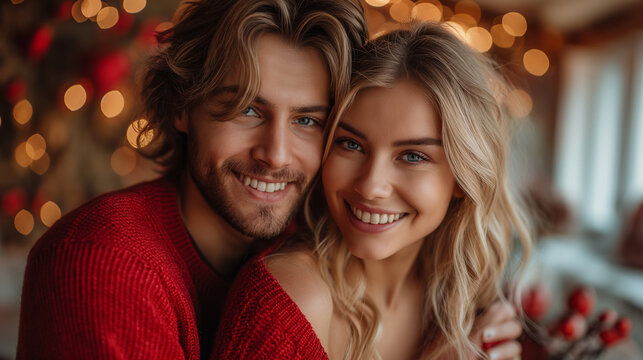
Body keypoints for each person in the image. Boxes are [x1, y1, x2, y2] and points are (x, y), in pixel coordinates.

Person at [16, 0, 368, 359]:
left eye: (306, 120)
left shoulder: (322, 247)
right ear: (182, 105)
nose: (276, 154)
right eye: (247, 109)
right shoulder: (104, 263)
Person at [213, 22, 532, 360]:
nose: (370, 186)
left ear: (461, 178)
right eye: (351, 144)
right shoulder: (289, 300)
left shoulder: (457, 297)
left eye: (412, 156)